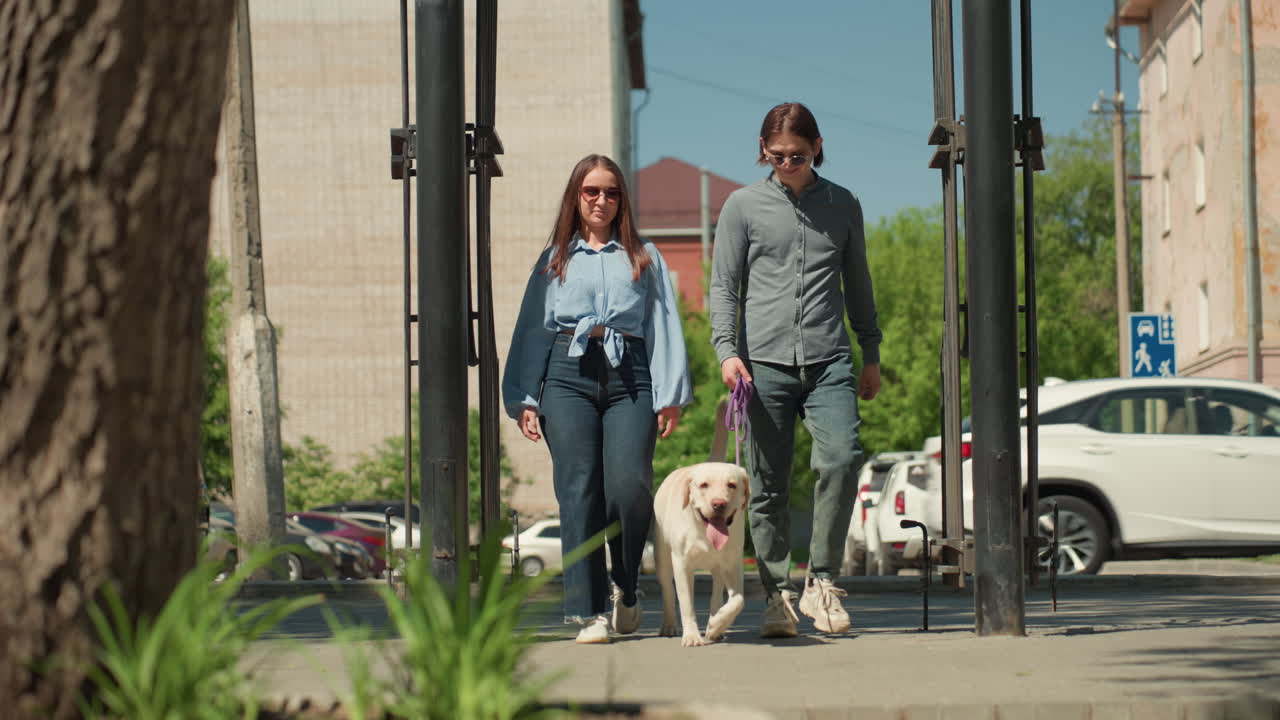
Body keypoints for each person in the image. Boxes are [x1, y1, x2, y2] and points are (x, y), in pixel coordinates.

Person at [502, 154, 692, 644]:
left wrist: (669, 393)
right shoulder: (555, 260)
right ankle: (588, 613)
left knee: (629, 487)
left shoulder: (644, 256)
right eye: (592, 192)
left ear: (621, 200)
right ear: (576, 197)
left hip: (630, 373)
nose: (601, 200)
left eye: (610, 192)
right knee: (579, 489)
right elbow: (533, 329)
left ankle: (626, 586)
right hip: (568, 375)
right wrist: (525, 396)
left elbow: (664, 325)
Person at [709, 102, 882, 638]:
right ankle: (777, 595)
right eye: (777, 155)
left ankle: (822, 582)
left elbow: (859, 282)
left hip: (830, 360)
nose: (787, 163)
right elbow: (725, 287)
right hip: (762, 367)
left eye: (799, 155)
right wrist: (726, 350)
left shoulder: (843, 204)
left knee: (840, 459)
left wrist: (870, 351)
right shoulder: (742, 206)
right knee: (767, 486)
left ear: (818, 147)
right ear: (763, 150)